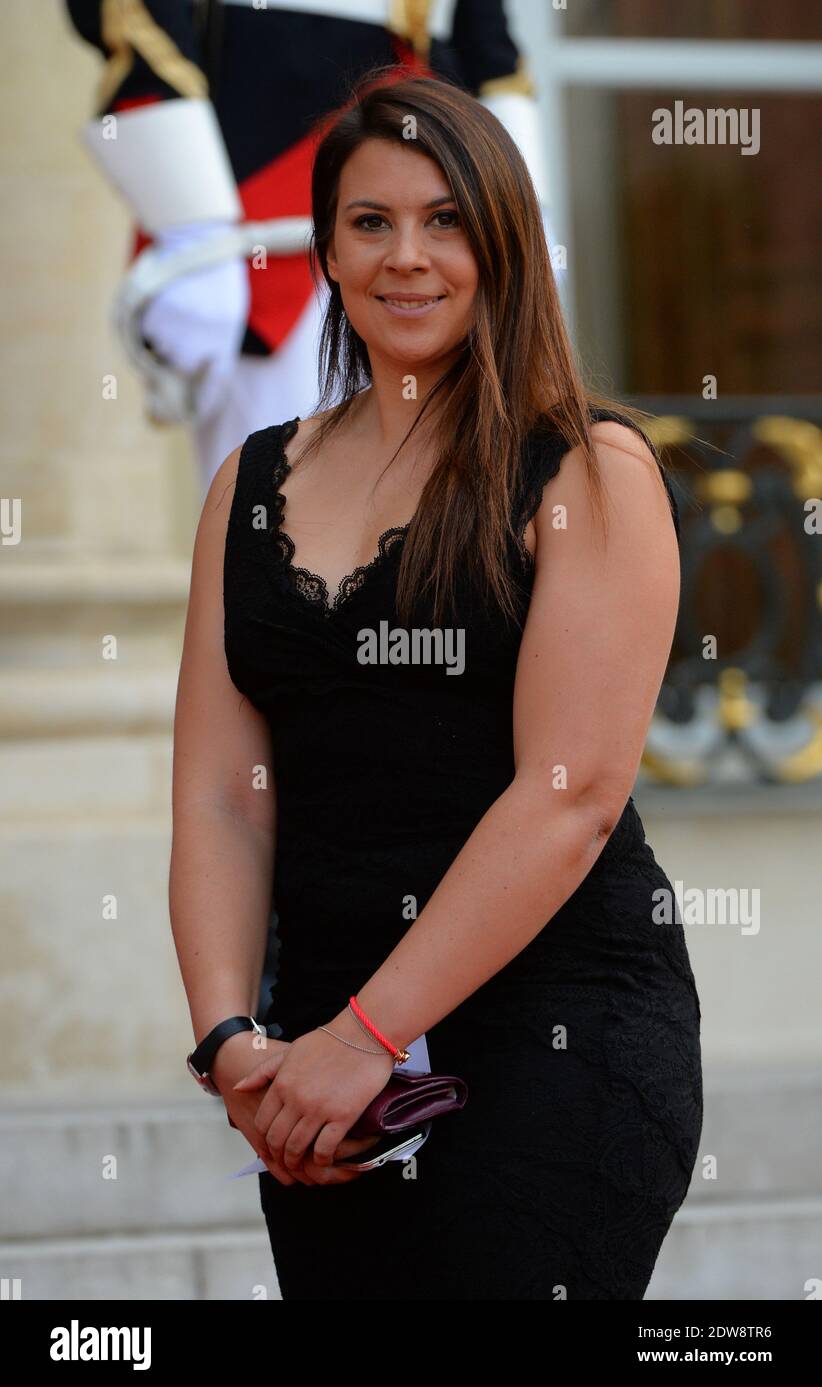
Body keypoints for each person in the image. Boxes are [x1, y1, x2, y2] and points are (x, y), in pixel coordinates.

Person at [169, 71, 703, 1300]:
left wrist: (365, 1037)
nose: (409, 257)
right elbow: (219, 797)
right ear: (329, 250)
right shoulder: (248, 483)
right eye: (371, 222)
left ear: (503, 243)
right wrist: (231, 1044)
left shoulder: (587, 464)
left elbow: (570, 797)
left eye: (447, 219)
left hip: (554, 1034)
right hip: (316, 1074)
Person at [65, 0, 557, 493]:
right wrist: (191, 222)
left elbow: (488, 44)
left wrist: (522, 218)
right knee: (279, 506)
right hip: (267, 180)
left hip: (446, 154)